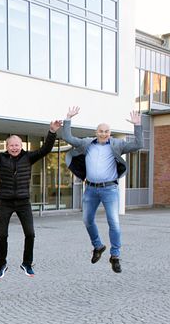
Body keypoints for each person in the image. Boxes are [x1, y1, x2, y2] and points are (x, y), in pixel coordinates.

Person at [0, 117, 61, 279]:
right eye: (11, 145)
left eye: (17, 145)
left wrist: (52, 132)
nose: (14, 148)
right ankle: (2, 264)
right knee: (2, 234)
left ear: (21, 146)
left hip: (23, 202)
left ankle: (27, 263)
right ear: (7, 147)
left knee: (30, 233)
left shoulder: (28, 157)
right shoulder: (1, 159)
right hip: (5, 202)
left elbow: (45, 149)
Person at [61, 106, 143, 273]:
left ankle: (115, 256)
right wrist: (68, 118)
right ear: (96, 132)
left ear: (110, 133)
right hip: (90, 189)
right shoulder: (86, 144)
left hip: (110, 189)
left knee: (114, 223)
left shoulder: (117, 144)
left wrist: (137, 125)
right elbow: (68, 137)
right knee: (87, 220)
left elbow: (139, 144)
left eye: (107, 131)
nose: (104, 133)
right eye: (101, 131)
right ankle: (98, 246)